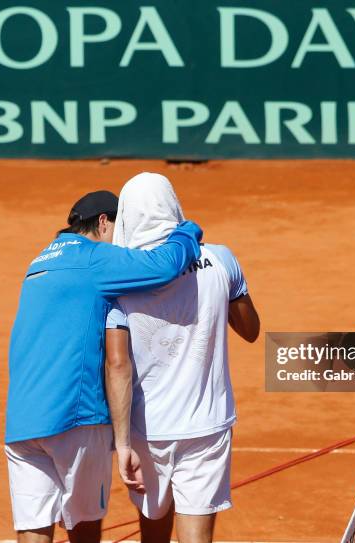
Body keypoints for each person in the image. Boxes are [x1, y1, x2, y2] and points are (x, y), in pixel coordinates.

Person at [5, 189, 203, 543]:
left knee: (34, 527)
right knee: (85, 528)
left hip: (23, 422)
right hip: (75, 418)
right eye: (120, 229)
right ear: (102, 222)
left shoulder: (38, 262)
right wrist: (188, 230)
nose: (123, 241)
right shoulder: (95, 258)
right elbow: (165, 266)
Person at [106, 173, 260, 543]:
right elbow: (251, 330)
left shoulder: (116, 280)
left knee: (153, 537)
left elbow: (117, 364)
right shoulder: (220, 259)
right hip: (208, 426)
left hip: (148, 431)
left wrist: (122, 441)